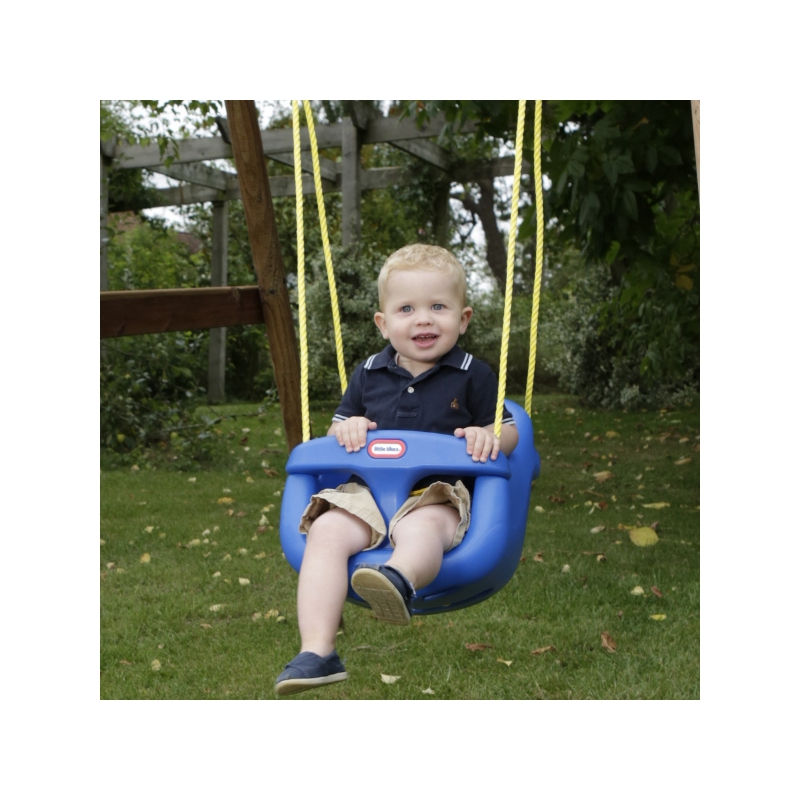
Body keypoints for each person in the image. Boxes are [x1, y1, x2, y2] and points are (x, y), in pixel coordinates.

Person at [275, 244, 519, 696]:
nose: (423, 320)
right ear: (383, 323)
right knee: (326, 531)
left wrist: (488, 436)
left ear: (463, 319)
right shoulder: (368, 372)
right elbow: (337, 429)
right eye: (407, 309)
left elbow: (508, 432)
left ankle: (397, 579)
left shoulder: (474, 374)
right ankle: (318, 651)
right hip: (365, 493)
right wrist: (347, 429)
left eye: (438, 307)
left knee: (421, 527)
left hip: (437, 493)